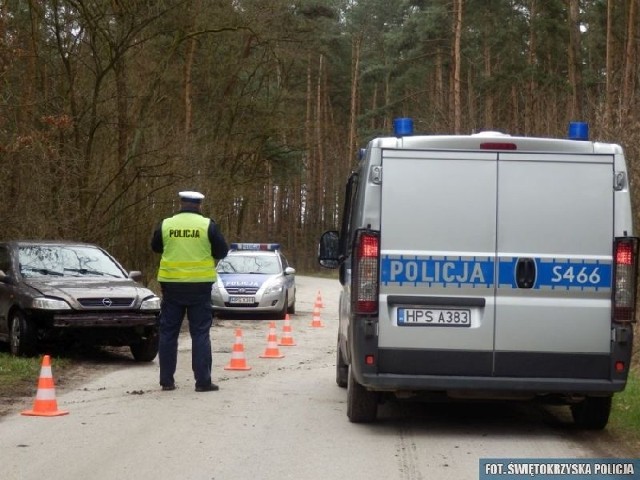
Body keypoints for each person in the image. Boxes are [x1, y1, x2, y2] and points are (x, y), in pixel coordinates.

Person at [151, 191, 229, 392]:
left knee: (168, 333)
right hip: (199, 287)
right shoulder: (207, 225)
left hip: (172, 286)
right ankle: (202, 382)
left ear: (181, 203)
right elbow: (222, 252)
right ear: (199, 205)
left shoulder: (166, 224)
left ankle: (166, 381)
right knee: (200, 333)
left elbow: (156, 247)